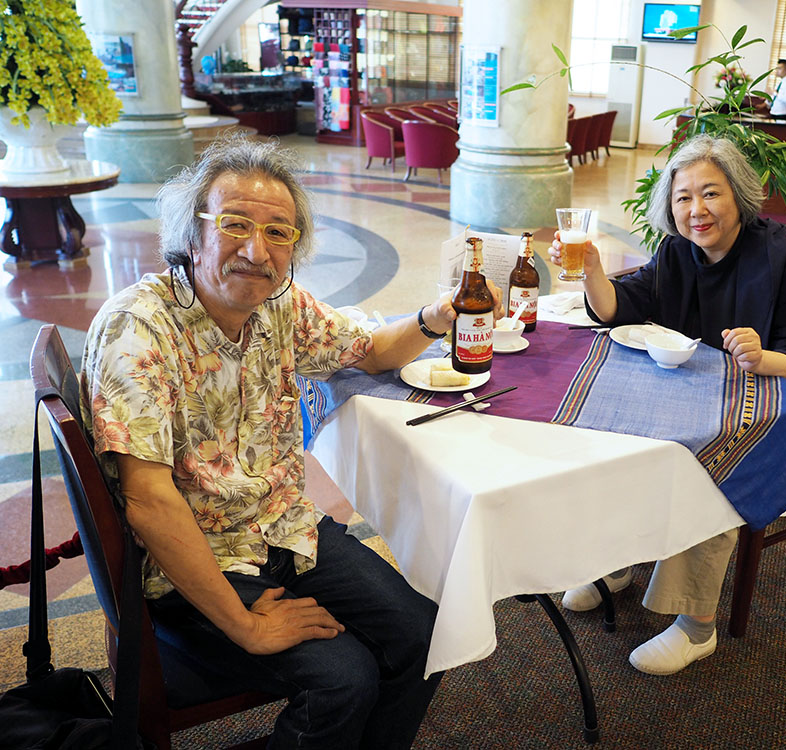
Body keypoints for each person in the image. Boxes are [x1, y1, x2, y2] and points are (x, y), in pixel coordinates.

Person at [80, 135, 503, 749]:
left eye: (279, 233)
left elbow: (370, 349)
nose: (257, 251)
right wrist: (246, 627)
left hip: (282, 526)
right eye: (234, 224)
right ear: (191, 233)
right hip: (194, 559)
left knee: (420, 636)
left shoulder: (281, 307)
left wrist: (434, 319)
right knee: (345, 680)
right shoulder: (138, 329)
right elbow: (148, 501)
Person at [548, 134, 786, 676]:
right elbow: (621, 309)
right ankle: (618, 562)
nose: (696, 210)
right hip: (690, 395)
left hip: (765, 406)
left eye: (710, 194)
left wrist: (766, 356)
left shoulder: (778, 255)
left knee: (705, 460)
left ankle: (697, 627)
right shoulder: (677, 251)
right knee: (619, 426)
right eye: (683, 197)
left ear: (739, 196)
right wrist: (592, 271)